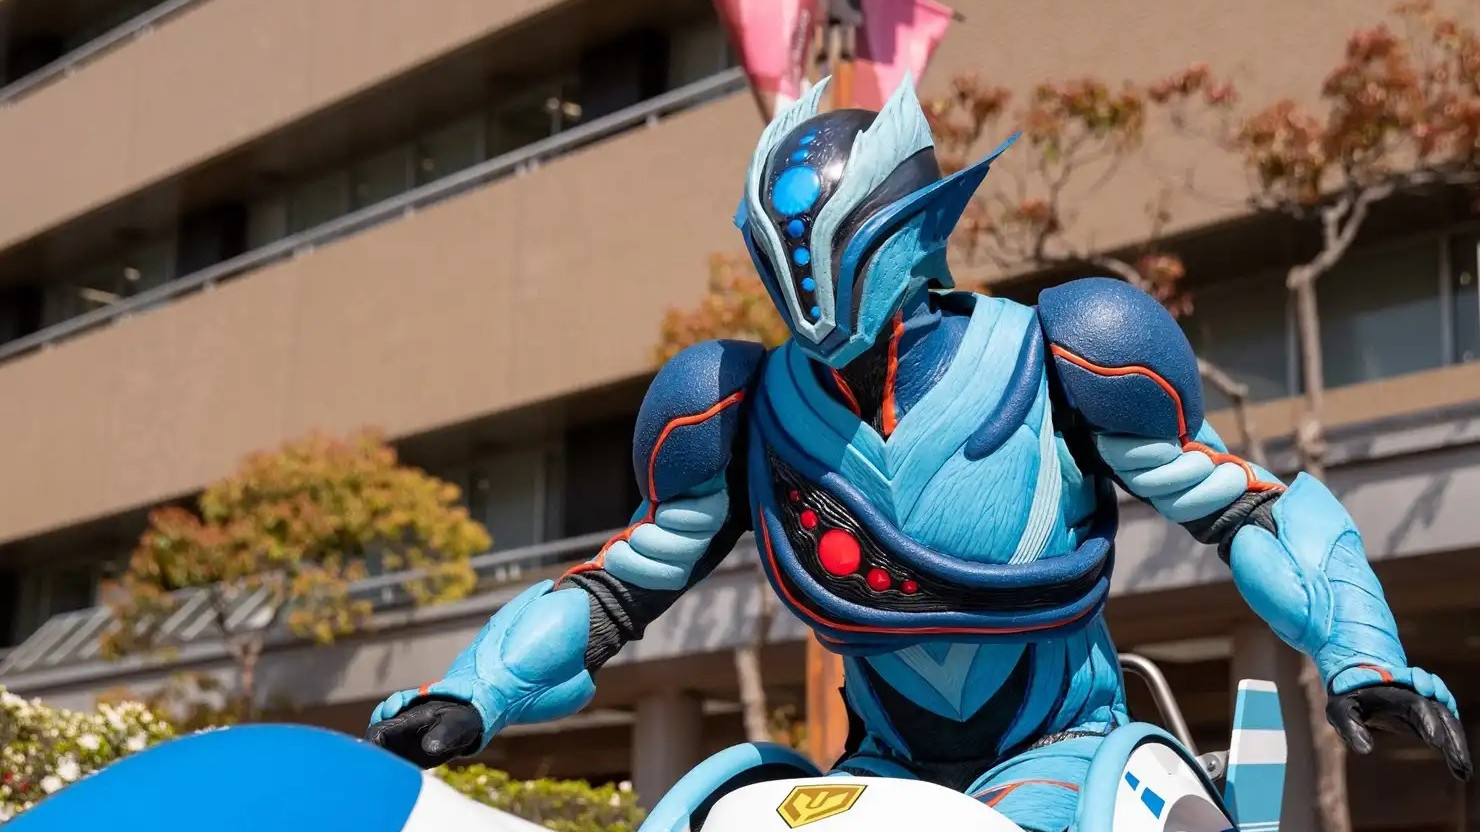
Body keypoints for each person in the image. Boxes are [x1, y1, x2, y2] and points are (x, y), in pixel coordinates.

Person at [365, 76, 1470, 830]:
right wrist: (474, 692)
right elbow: (617, 586)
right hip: (878, 775)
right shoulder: (736, 408)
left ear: (917, 226)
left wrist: (1363, 656)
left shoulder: (1068, 349)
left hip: (1069, 761)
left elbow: (1252, 509)